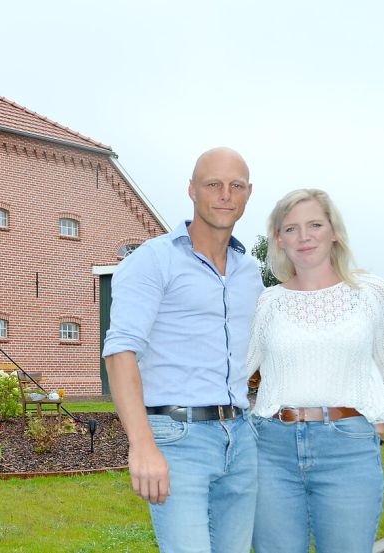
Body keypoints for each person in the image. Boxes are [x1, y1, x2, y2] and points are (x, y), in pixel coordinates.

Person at [104, 147, 264, 552]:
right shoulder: (153, 260)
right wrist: (142, 445)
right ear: (192, 190)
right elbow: (120, 351)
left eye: (236, 186)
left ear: (248, 194)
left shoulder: (251, 272)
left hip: (242, 438)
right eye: (214, 184)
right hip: (178, 439)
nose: (225, 194)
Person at [248, 189, 384, 553]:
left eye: (314, 225)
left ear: (334, 231)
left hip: (348, 449)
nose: (304, 237)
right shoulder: (268, 302)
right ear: (278, 239)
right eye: (290, 229)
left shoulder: (370, 292)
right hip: (271, 450)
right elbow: (238, 369)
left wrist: (378, 428)